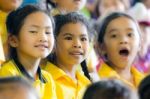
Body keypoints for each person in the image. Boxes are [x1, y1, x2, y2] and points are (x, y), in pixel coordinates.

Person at [0, 5, 56, 99]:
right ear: (14, 40)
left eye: (48, 32)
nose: (43, 38)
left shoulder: (48, 78)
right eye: (33, 31)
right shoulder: (8, 73)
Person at [44, 12, 92, 99]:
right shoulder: (44, 80)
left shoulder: (87, 83)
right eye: (68, 38)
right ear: (53, 44)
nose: (77, 44)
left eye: (83, 39)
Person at [97, 12, 144, 89]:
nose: (123, 40)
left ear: (139, 44)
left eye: (129, 34)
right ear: (102, 47)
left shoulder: (145, 81)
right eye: (114, 35)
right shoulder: (96, 82)